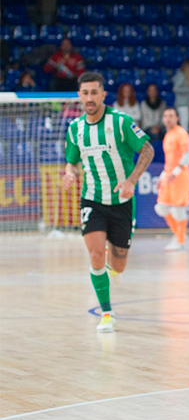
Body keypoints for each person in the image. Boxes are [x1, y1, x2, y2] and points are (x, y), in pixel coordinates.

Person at [61, 72, 155, 333]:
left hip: (122, 201)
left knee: (120, 263)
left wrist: (131, 181)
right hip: (92, 199)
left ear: (103, 95)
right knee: (94, 254)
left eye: (94, 92)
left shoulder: (121, 122)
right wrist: (70, 172)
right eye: (85, 93)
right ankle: (107, 313)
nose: (89, 98)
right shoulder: (75, 129)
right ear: (79, 96)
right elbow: (73, 161)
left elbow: (148, 149)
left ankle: (110, 267)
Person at [155, 108, 189, 252]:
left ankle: (180, 241)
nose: (168, 119)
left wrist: (175, 172)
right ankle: (179, 234)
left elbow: (188, 156)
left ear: (177, 118)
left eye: (171, 116)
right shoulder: (168, 135)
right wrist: (162, 176)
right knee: (161, 207)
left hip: (180, 176)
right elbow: (169, 161)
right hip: (168, 176)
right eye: (165, 116)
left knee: (178, 210)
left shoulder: (181, 134)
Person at [172, 59, 189, 127]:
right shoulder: (181, 75)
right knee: (184, 126)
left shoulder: (188, 76)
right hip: (182, 104)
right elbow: (175, 89)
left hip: (186, 104)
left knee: (185, 125)